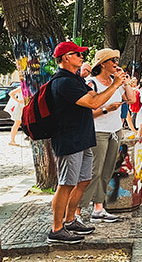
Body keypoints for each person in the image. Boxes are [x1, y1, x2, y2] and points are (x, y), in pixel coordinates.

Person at [46, 41, 125, 244]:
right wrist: (115, 84)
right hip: (69, 139)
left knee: (82, 180)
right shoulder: (63, 81)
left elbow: (93, 95)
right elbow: (94, 102)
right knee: (66, 184)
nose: (82, 57)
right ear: (66, 58)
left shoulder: (75, 79)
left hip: (82, 138)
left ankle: (71, 219)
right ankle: (56, 229)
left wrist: (109, 87)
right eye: (77, 54)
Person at [80, 48, 134, 223]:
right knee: (94, 171)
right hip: (98, 131)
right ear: (102, 64)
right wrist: (105, 110)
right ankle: (77, 211)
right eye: (112, 60)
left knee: (108, 170)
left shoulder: (115, 82)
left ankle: (98, 208)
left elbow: (131, 99)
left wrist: (124, 81)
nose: (116, 64)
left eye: (116, 60)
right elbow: (86, 112)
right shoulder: (92, 83)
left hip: (115, 130)